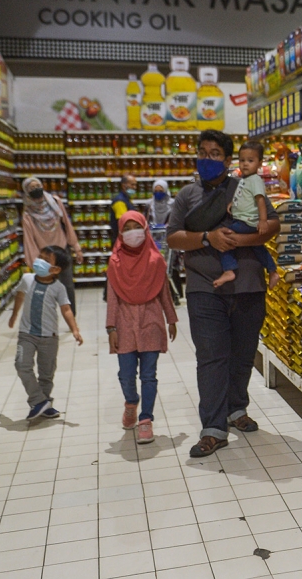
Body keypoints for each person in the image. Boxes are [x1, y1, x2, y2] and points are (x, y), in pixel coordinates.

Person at [167, 130, 280, 458]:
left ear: (228, 160)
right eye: (202, 152)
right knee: (212, 357)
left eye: (214, 153)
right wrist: (207, 238)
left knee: (243, 354)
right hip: (205, 288)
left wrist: (239, 242)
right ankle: (213, 427)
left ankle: (235, 408)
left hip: (248, 287)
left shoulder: (247, 185)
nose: (207, 158)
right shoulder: (187, 195)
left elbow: (272, 225)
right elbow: (173, 237)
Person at [106, 211, 178, 445]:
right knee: (126, 375)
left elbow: (164, 291)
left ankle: (146, 420)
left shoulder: (156, 260)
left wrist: (171, 319)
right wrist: (111, 328)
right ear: (119, 232)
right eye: (126, 229)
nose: (131, 233)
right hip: (124, 323)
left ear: (145, 228)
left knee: (149, 376)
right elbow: (113, 296)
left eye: (136, 227)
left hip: (151, 322)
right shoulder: (115, 262)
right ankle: (131, 402)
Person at [8, 246, 83, 420]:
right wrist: (14, 315)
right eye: (39, 257)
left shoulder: (59, 288)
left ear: (56, 269)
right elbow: (19, 296)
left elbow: (66, 310)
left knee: (46, 374)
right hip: (26, 334)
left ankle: (44, 403)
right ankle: (38, 400)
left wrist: (75, 330)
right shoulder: (27, 279)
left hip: (49, 337)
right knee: (21, 365)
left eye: (46, 260)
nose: (39, 262)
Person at [212, 141, 279, 289]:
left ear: (260, 163)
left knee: (225, 239)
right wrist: (233, 205)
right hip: (245, 220)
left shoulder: (255, 180)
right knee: (258, 247)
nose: (245, 164)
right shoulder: (245, 180)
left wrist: (263, 221)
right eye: (242, 160)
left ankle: (229, 270)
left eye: (250, 161)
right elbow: (244, 198)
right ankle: (273, 271)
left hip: (247, 222)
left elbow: (260, 201)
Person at [21, 177, 83, 316]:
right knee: (46, 288)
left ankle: (71, 316)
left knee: (67, 285)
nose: (35, 189)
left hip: (62, 250)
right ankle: (48, 317)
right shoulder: (27, 214)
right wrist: (34, 262)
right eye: (31, 188)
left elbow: (67, 224)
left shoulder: (55, 202)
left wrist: (76, 246)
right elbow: (29, 239)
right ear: (26, 192)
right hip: (45, 256)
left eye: (37, 185)